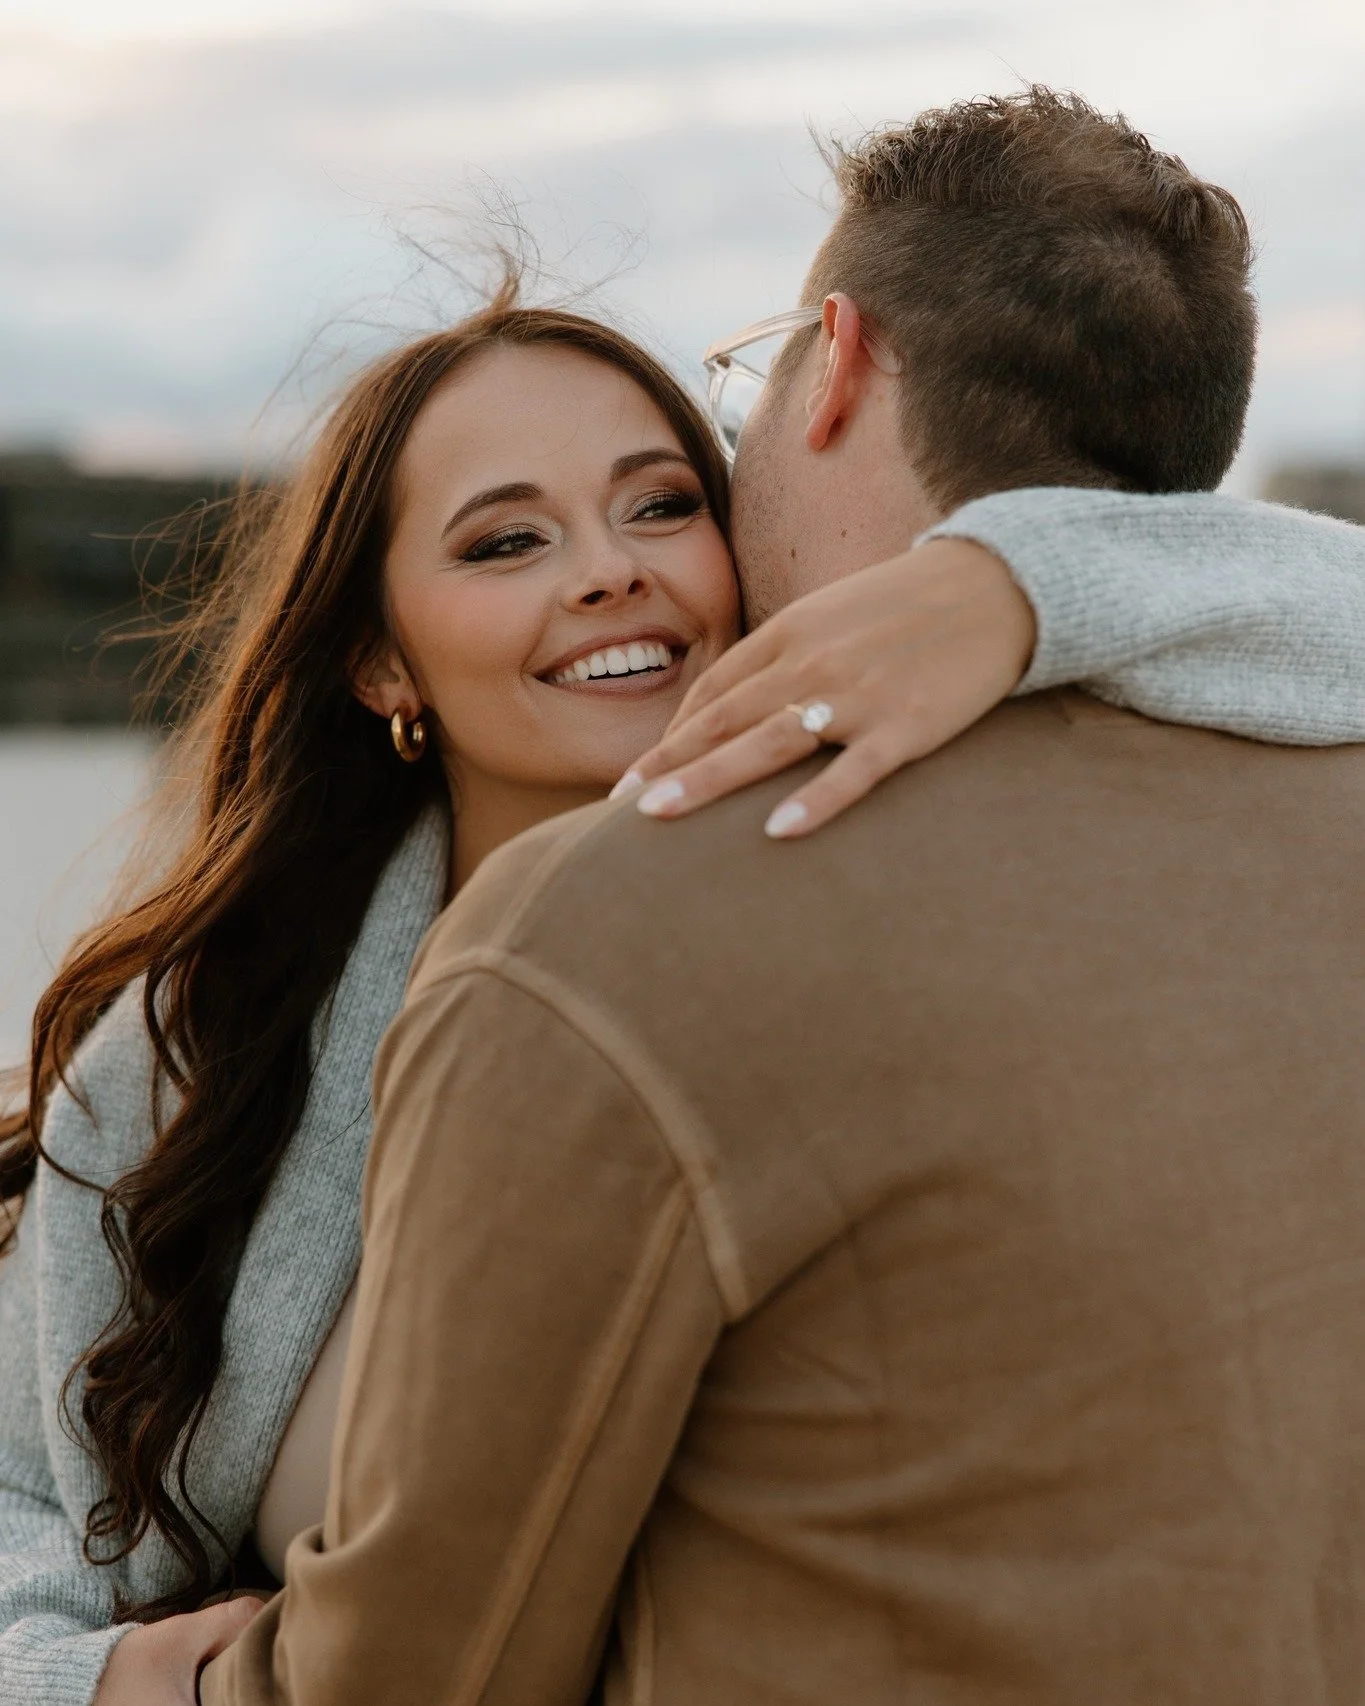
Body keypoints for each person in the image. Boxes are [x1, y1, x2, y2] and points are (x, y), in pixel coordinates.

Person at [3, 97, 1364, 1706]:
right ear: (378, 656)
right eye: (506, 539)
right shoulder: (191, 1049)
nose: (610, 571)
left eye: (664, 502)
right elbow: (37, 1512)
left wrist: (1014, 582)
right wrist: (91, 1680)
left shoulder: (807, 930)